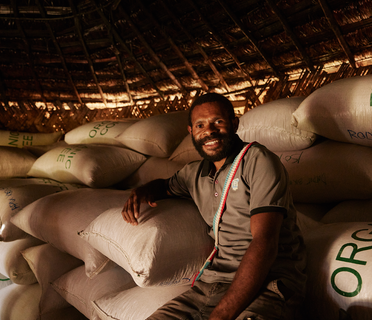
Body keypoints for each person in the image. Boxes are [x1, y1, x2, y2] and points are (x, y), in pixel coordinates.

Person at [122, 93, 306, 320]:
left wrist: (220, 316)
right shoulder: (194, 173)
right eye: (200, 125)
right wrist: (140, 192)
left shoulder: (258, 161)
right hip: (211, 284)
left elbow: (265, 242)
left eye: (217, 122)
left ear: (234, 123)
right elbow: (165, 186)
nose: (209, 131)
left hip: (269, 284)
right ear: (191, 132)